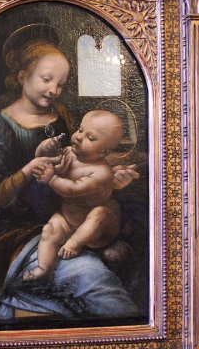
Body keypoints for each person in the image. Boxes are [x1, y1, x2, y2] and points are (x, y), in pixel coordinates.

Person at [0, 23, 143, 323]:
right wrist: (29, 169)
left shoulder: (61, 115)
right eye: (46, 79)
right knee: (97, 283)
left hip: (72, 216)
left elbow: (84, 161)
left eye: (61, 84)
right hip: (21, 233)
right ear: (22, 76)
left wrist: (109, 179)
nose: (54, 90)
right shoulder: (1, 126)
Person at [24, 110, 124, 282]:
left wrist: (51, 178)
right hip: (69, 220)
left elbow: (72, 189)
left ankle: (75, 243)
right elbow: (50, 163)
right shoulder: (70, 153)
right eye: (80, 130)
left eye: (90, 138)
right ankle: (43, 269)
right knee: (49, 230)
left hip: (99, 232)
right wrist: (43, 151)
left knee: (100, 213)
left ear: (104, 152)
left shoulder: (101, 172)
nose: (78, 137)